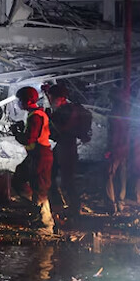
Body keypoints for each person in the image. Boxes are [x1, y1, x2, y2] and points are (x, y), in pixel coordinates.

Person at [10, 86, 54, 234]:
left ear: (27, 101)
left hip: (41, 155)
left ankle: (46, 224)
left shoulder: (36, 116)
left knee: (40, 187)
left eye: (20, 100)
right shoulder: (34, 114)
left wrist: (17, 133)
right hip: (35, 154)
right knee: (19, 179)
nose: (19, 103)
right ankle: (36, 209)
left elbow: (29, 138)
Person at [47, 83, 92, 218]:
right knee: (52, 174)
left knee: (67, 180)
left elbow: (62, 130)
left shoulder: (67, 111)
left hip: (67, 147)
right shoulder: (66, 109)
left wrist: (50, 119)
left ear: (60, 98)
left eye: (52, 98)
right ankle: (62, 204)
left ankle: (74, 209)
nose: (50, 100)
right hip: (63, 145)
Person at [105, 95, 129, 214]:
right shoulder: (125, 116)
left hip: (116, 149)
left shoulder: (113, 115)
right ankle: (121, 202)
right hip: (123, 149)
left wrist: (110, 149)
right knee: (122, 175)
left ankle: (112, 203)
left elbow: (113, 134)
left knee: (110, 175)